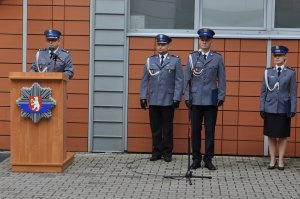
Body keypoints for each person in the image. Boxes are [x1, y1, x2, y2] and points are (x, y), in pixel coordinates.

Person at [184, 28, 226, 170]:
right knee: (195, 130)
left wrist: (221, 96)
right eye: (202, 40)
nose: (204, 42)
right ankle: (196, 159)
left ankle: (208, 159)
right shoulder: (192, 57)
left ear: (211, 41)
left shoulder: (217, 58)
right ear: (199, 41)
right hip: (195, 100)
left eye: (207, 40)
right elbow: (186, 79)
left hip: (211, 100)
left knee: (210, 131)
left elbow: (222, 79)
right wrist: (187, 97)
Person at [140, 34, 184, 162]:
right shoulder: (150, 61)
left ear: (168, 46)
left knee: (167, 128)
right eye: (158, 44)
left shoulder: (175, 60)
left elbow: (179, 81)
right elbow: (144, 81)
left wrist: (177, 98)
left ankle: (167, 152)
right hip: (153, 99)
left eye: (163, 44)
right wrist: (143, 97)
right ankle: (156, 151)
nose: (160, 47)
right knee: (155, 128)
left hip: (168, 100)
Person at [260, 45, 297, 170]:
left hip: (283, 108)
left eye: (279, 56)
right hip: (270, 107)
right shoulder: (268, 72)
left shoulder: (291, 73)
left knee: (282, 135)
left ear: (285, 57)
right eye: (275, 56)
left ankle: (281, 160)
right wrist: (262, 107)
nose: (276, 58)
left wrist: (293, 109)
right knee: (271, 135)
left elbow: (293, 92)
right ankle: (272, 160)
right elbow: (263, 92)